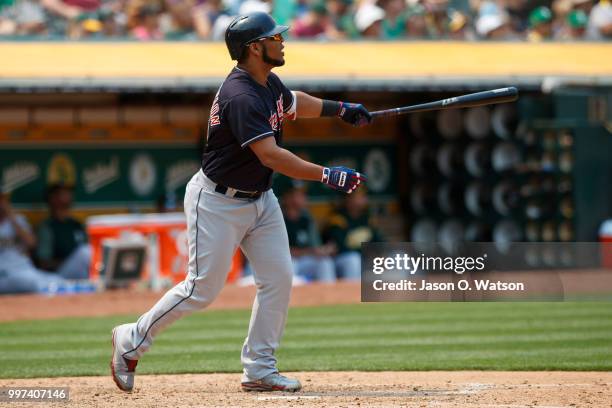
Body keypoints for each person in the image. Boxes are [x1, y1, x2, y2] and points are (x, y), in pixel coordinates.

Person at [110, 11, 370, 394]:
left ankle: (260, 369)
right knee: (201, 289)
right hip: (217, 202)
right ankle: (131, 338)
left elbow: (292, 101)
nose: (281, 41)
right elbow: (271, 155)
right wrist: (327, 174)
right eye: (274, 37)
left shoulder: (266, 82)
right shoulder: (241, 95)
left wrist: (340, 108)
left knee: (278, 278)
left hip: (261, 199)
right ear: (254, 48)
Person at [0, 191, 68, 294]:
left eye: (3, 199)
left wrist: (11, 216)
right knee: (34, 284)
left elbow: (31, 243)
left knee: (57, 280)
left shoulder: (18, 220)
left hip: (24, 269)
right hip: (4, 274)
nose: (2, 203)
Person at [278, 177, 336, 283]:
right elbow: (278, 252)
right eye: (297, 194)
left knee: (324, 263)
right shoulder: (277, 218)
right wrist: (310, 251)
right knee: (290, 264)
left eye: (302, 194)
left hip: (305, 260)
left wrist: (324, 250)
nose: (302, 198)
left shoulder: (307, 218)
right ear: (286, 197)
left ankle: (329, 297)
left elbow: (316, 247)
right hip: (285, 262)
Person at [324, 188, 382, 280]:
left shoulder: (366, 218)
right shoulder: (338, 219)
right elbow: (339, 248)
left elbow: (379, 241)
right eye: (359, 196)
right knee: (354, 259)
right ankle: (353, 293)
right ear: (348, 198)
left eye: (363, 196)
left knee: (398, 257)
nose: (364, 199)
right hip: (342, 260)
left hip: (364, 258)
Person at [36, 184, 91, 280]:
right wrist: (72, 261)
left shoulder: (77, 224)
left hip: (82, 271)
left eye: (69, 193)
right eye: (63, 193)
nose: (69, 196)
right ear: (52, 198)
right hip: (58, 275)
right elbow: (44, 263)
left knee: (87, 252)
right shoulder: (47, 227)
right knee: (84, 252)